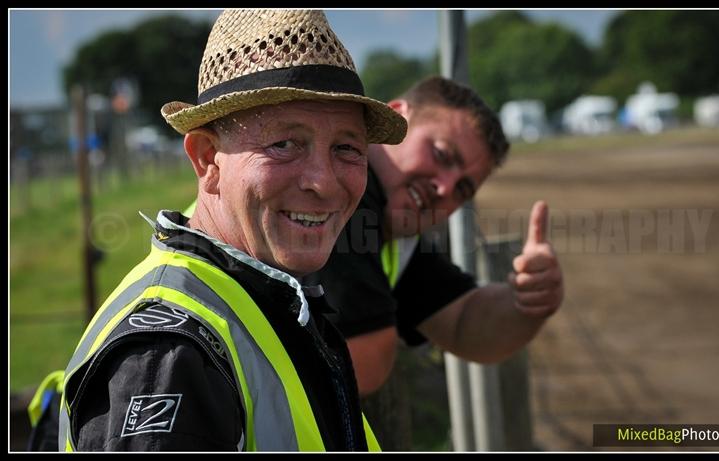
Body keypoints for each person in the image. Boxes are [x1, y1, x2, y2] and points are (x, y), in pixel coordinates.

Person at [49, 9, 407, 451]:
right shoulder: (168, 356)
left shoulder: (266, 300)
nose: (324, 181)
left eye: (347, 149)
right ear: (207, 159)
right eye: (284, 144)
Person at [308, 76, 564, 395]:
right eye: (442, 155)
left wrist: (529, 300)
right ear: (397, 117)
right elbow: (365, 359)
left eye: (462, 189)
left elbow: (464, 323)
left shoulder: (395, 236)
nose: (444, 188)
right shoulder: (341, 196)